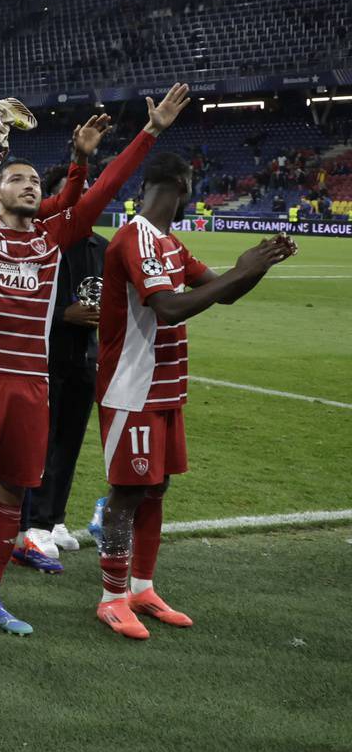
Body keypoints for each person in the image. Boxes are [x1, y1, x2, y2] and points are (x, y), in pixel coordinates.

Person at [0, 88, 182, 639]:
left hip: (32, 387)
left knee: (12, 494)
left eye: (36, 180)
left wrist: (148, 132)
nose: (31, 185)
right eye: (18, 178)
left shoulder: (53, 238)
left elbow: (104, 189)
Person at [93, 155, 296, 639]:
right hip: (131, 389)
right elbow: (166, 308)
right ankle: (111, 598)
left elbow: (219, 293)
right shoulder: (135, 237)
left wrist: (256, 266)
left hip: (165, 387)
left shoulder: (169, 243)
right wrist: (239, 270)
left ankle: (142, 587)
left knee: (157, 487)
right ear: (182, 186)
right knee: (127, 493)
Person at [15, 164, 107, 565]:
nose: (85, 195)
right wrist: (62, 316)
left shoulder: (101, 248)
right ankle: (31, 522)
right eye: (76, 190)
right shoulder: (43, 244)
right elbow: (20, 302)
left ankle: (54, 519)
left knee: (68, 443)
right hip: (43, 355)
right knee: (40, 443)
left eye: (90, 189)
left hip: (85, 356)